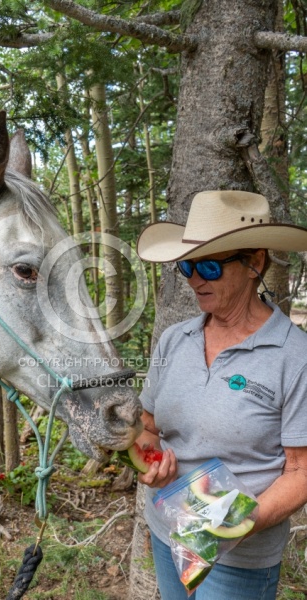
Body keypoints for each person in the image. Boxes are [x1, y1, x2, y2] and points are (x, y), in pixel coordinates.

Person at [135, 190, 307, 600]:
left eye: (210, 266)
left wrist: (234, 524)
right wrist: (148, 463)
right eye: (188, 265)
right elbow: (147, 428)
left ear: (255, 263)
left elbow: (301, 471)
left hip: (240, 560)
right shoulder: (174, 341)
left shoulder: (294, 356)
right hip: (169, 534)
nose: (195, 279)